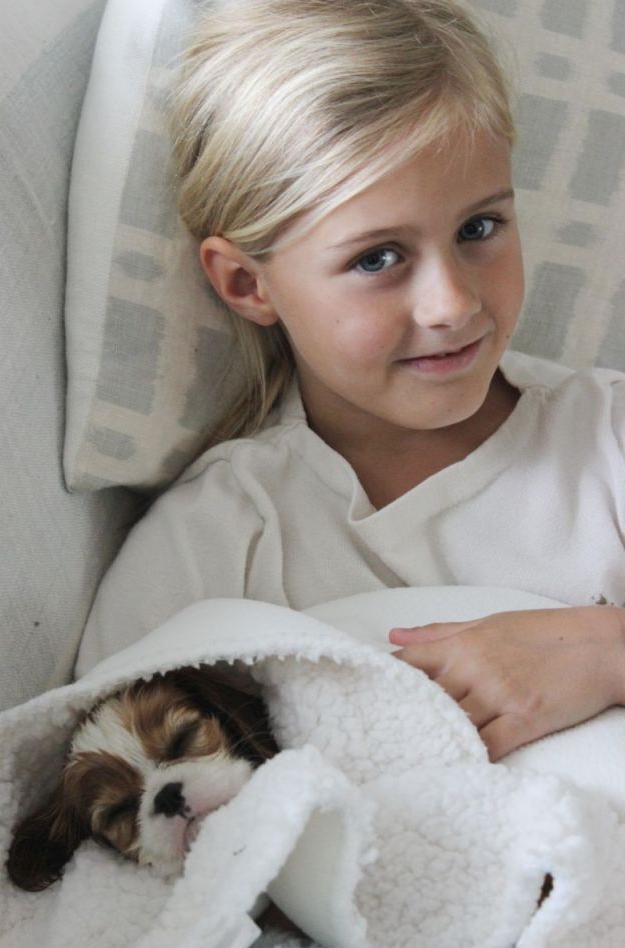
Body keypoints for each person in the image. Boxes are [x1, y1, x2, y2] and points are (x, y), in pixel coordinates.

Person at [76, 0, 625, 763]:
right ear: (245, 283)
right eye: (377, 258)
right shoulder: (221, 542)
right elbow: (104, 791)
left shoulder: (606, 439)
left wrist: (605, 649)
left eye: (479, 229)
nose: (455, 304)